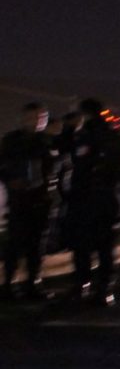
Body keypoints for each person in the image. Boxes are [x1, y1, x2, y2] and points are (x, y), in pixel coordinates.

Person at [64, 98, 120, 304]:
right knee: (105, 246)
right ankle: (105, 289)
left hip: (84, 199)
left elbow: (75, 167)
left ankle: (81, 286)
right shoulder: (118, 138)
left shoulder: (82, 137)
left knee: (82, 245)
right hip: (109, 198)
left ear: (84, 114)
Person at [0, 102, 53, 298]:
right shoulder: (12, 141)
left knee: (36, 245)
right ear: (23, 118)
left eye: (41, 118)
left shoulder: (47, 141)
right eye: (33, 117)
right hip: (19, 199)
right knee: (14, 244)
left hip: (39, 200)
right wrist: (11, 181)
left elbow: (54, 169)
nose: (37, 122)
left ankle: (33, 283)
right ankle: (8, 285)